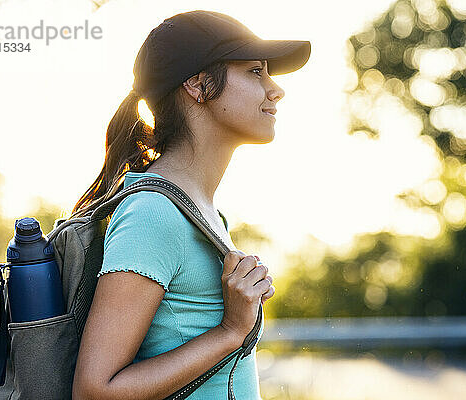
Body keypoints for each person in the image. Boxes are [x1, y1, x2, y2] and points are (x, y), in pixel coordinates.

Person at [70, 10, 310, 400]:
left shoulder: (202, 212)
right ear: (198, 85)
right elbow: (95, 391)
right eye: (255, 72)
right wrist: (230, 332)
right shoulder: (153, 213)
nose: (275, 89)